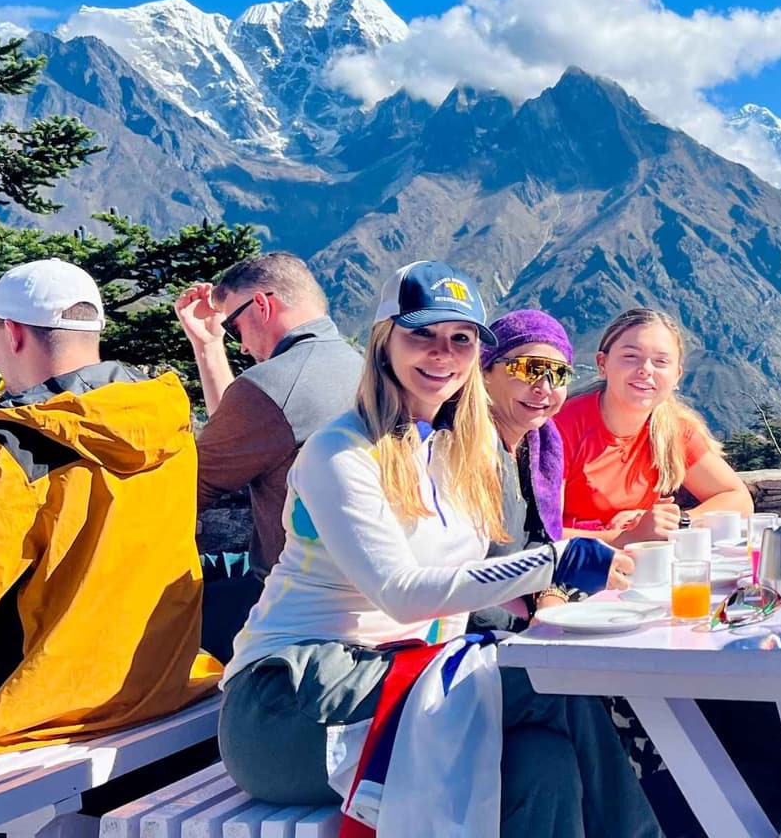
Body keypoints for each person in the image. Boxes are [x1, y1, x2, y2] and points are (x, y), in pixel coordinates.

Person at [216, 261, 658, 838]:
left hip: (401, 681)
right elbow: (400, 593)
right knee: (558, 688)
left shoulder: (454, 454)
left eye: (461, 339)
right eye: (421, 334)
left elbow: (479, 572)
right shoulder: (339, 451)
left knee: (543, 763)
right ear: (384, 342)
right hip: (291, 705)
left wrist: (553, 587)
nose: (441, 353)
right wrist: (555, 560)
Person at [0, 258, 218, 758]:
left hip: (29, 708)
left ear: (12, 335)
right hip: (147, 683)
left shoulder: (12, 448)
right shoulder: (165, 424)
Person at [175, 253, 364, 660]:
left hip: (286, 604)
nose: (240, 345)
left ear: (262, 305)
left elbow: (189, 485)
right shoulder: (362, 368)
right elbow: (251, 429)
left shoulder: (274, 386)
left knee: (160, 626)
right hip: (358, 602)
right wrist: (208, 346)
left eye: (235, 326)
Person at [554, 307, 752, 541]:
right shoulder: (562, 427)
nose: (645, 370)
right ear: (602, 364)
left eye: (660, 361)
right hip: (567, 571)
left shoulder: (672, 429)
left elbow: (738, 498)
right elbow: (542, 534)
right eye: (631, 356)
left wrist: (677, 522)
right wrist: (625, 536)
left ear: (677, 375)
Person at [473, 308, 578, 631]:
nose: (543, 386)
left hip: (526, 616)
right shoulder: (463, 451)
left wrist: (550, 601)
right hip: (471, 628)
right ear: (485, 371)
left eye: (558, 374)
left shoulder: (538, 447)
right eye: (528, 369)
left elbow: (539, 540)